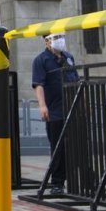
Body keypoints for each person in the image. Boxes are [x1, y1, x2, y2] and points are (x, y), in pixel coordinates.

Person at [31, 32, 79, 195]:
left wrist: (83, 103)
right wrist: (42, 105)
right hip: (55, 111)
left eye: (61, 37)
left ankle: (81, 181)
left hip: (73, 108)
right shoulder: (41, 60)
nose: (60, 41)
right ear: (46, 42)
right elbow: (38, 84)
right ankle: (57, 183)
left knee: (77, 145)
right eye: (55, 38)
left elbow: (76, 80)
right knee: (58, 147)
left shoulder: (68, 57)